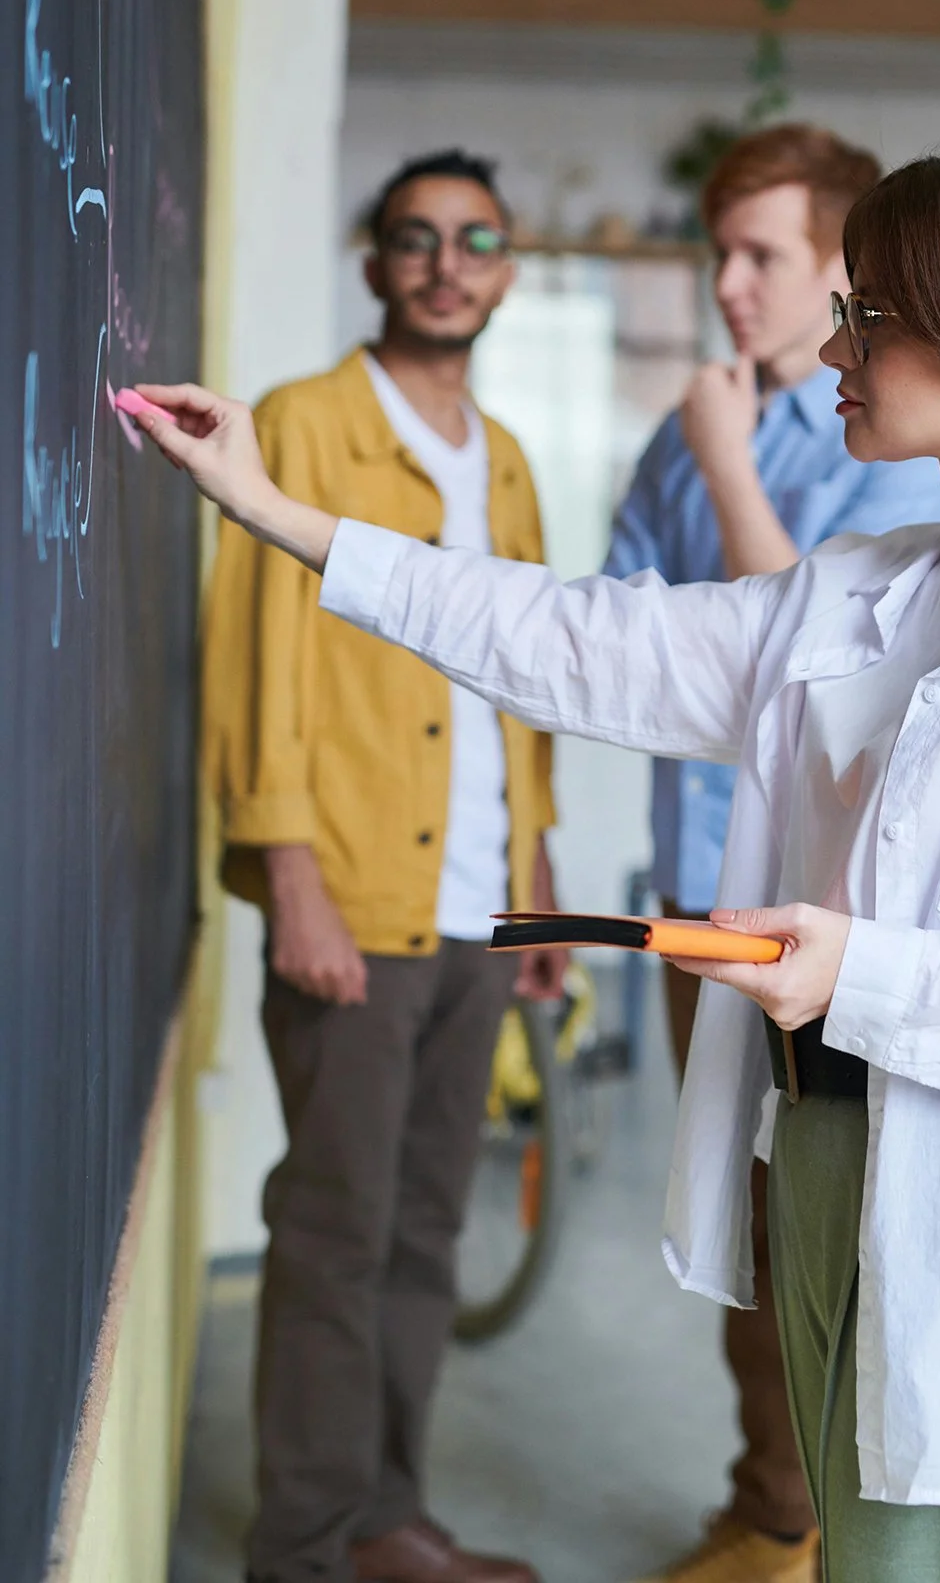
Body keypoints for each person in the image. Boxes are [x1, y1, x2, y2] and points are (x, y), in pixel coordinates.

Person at [141, 137, 940, 1583]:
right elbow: (578, 638)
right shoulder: (866, 592)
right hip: (829, 1174)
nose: (834, 342)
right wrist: (283, 515)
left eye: (869, 313)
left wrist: (866, 976)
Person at [202, 148, 563, 1583]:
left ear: (507, 269)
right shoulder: (297, 424)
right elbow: (255, 667)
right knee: (336, 1235)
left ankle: (381, 1524)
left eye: (476, 239)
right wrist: (290, 876)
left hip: (478, 908)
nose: (446, 263)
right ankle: (296, 1546)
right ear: (375, 263)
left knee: (426, 1231)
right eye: (417, 238)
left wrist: (534, 883)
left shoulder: (512, 457)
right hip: (353, 897)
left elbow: (526, 681)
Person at [603, 124, 940, 1583]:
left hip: (832, 916)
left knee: (839, 1217)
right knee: (734, 1213)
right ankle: (774, 1514)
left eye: (765, 256)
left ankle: (824, 1525)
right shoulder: (686, 427)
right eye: (721, 253)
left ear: (839, 273)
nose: (732, 284)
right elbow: (627, 644)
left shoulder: (884, 445)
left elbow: (804, 671)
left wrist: (726, 461)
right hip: (699, 885)